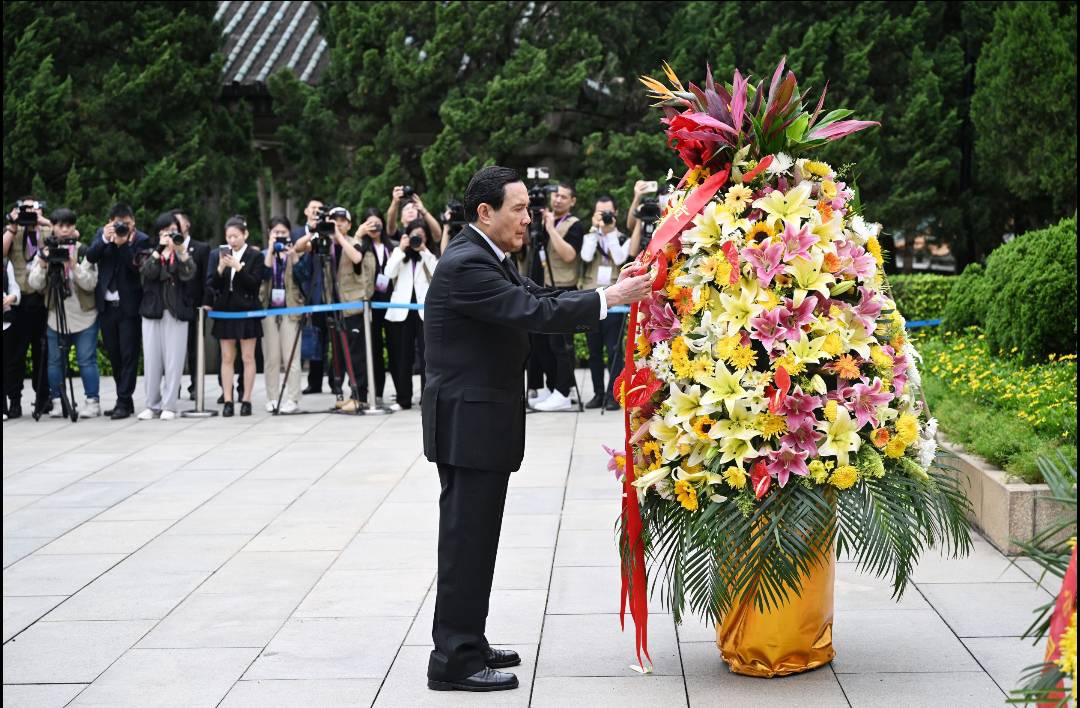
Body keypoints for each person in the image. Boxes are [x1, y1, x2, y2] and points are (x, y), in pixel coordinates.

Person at [421, 166, 654, 692]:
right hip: (467, 425)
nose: (530, 218)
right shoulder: (466, 265)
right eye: (519, 209)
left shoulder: (490, 258)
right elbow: (529, 310)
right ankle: (453, 660)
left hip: (482, 424)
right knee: (465, 541)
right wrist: (611, 299)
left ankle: (469, 641)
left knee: (478, 539)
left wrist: (608, 288)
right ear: (485, 212)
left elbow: (543, 297)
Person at [26, 208, 100, 418]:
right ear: (54, 228)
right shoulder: (46, 251)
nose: (65, 229)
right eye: (60, 225)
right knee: (55, 361)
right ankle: (58, 401)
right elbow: (34, 283)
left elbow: (90, 284)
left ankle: (92, 402)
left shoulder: (84, 251)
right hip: (55, 316)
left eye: (69, 225)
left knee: (87, 360)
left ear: (75, 227)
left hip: (84, 316)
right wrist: (42, 263)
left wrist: (73, 265)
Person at [85, 203, 151, 420]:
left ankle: (123, 401)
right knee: (114, 356)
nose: (124, 228)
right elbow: (91, 257)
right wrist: (105, 239)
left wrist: (123, 245)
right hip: (107, 306)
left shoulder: (141, 239)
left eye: (128, 224)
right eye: (118, 224)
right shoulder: (102, 234)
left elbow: (136, 267)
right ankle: (125, 399)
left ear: (134, 223)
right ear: (110, 222)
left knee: (129, 354)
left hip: (129, 307)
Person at [529, 182, 587, 412]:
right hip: (542, 286)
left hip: (563, 287)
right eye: (556, 196)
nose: (558, 200)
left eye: (564, 196)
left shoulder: (574, 225)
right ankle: (553, 388)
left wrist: (552, 229)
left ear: (572, 201)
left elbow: (569, 255)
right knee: (541, 342)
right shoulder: (543, 220)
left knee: (561, 344)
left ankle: (564, 391)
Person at [137, 212, 196, 420]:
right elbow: (146, 273)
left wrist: (181, 253)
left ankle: (169, 405)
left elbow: (189, 273)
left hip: (176, 312)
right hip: (152, 311)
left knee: (174, 361)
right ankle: (151, 404)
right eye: (164, 232)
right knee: (152, 361)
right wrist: (158, 251)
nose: (169, 236)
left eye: (172, 231)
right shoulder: (148, 252)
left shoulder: (183, 253)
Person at [207, 216, 264, 417]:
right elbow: (212, 284)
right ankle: (228, 399)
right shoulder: (217, 255)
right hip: (225, 310)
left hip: (247, 309)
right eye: (229, 236)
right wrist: (222, 268)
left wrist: (238, 268)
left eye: (236, 236)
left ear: (245, 234)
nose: (232, 240)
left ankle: (246, 399)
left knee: (248, 357)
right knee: (227, 357)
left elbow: (254, 284)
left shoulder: (254, 256)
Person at [3, 196, 52, 419]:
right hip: (18, 300)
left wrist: (42, 223)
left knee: (42, 352)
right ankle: (14, 400)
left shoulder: (45, 228)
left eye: (33, 209)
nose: (29, 213)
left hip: (40, 299)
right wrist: (13, 226)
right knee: (15, 355)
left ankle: (42, 398)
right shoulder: (13, 230)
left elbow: (53, 249)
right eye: (25, 209)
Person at [580, 195, 630, 411]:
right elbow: (585, 255)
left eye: (608, 212)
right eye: (600, 212)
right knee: (594, 351)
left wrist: (609, 233)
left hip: (615, 301)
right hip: (591, 299)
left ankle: (614, 394)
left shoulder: (621, 238)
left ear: (616, 213)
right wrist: (595, 230)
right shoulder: (589, 235)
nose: (605, 216)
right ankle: (598, 393)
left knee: (614, 350)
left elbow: (620, 259)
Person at [326, 206, 376, 414]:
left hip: (355, 306)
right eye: (333, 221)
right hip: (336, 306)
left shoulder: (360, 242)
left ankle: (360, 397)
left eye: (341, 221)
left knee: (357, 354)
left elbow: (356, 258)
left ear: (349, 224)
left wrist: (339, 236)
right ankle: (351, 393)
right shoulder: (326, 245)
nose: (337, 224)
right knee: (342, 355)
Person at [384, 218, 438, 410]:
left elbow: (438, 273)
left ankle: (427, 398)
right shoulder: (400, 255)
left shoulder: (429, 254)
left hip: (425, 312)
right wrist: (401, 248)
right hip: (402, 311)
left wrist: (424, 250)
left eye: (421, 236)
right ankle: (402, 398)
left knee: (428, 357)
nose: (417, 239)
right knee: (401, 356)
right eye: (414, 235)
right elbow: (388, 272)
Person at [260, 216, 304, 413]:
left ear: (290, 235)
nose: (279, 236)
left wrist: (294, 258)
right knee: (271, 358)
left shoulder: (296, 255)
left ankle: (292, 399)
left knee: (291, 357)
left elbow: (304, 280)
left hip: (291, 309)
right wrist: (270, 252)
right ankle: (272, 397)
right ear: (269, 234)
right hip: (268, 311)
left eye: (283, 233)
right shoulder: (262, 255)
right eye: (275, 232)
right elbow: (263, 276)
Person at [357, 208, 400, 408]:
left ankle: (401, 393)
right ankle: (377, 392)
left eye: (377, 222)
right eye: (370, 223)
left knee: (394, 349)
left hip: (392, 302)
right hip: (370, 304)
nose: (374, 227)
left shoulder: (393, 246)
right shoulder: (362, 247)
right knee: (373, 350)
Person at [170, 208, 211, 400]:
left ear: (187, 225)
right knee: (172, 350)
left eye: (178, 223)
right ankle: (173, 385)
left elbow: (205, 279)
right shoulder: (165, 247)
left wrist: (205, 303)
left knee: (194, 349)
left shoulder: (201, 248)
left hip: (194, 305)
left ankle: (196, 385)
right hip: (173, 305)